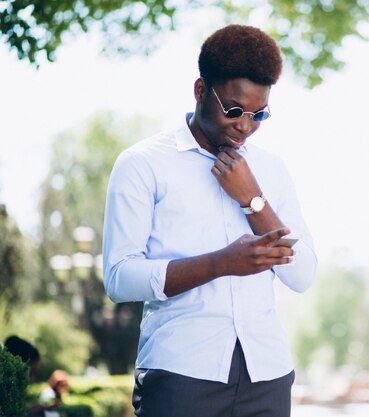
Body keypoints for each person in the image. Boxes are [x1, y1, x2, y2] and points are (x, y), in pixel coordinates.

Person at [102, 24, 317, 417]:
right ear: (201, 91)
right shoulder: (143, 164)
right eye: (234, 110)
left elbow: (301, 275)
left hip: (267, 375)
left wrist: (252, 199)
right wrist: (220, 264)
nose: (245, 125)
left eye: (259, 114)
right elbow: (119, 277)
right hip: (180, 374)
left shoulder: (270, 168)